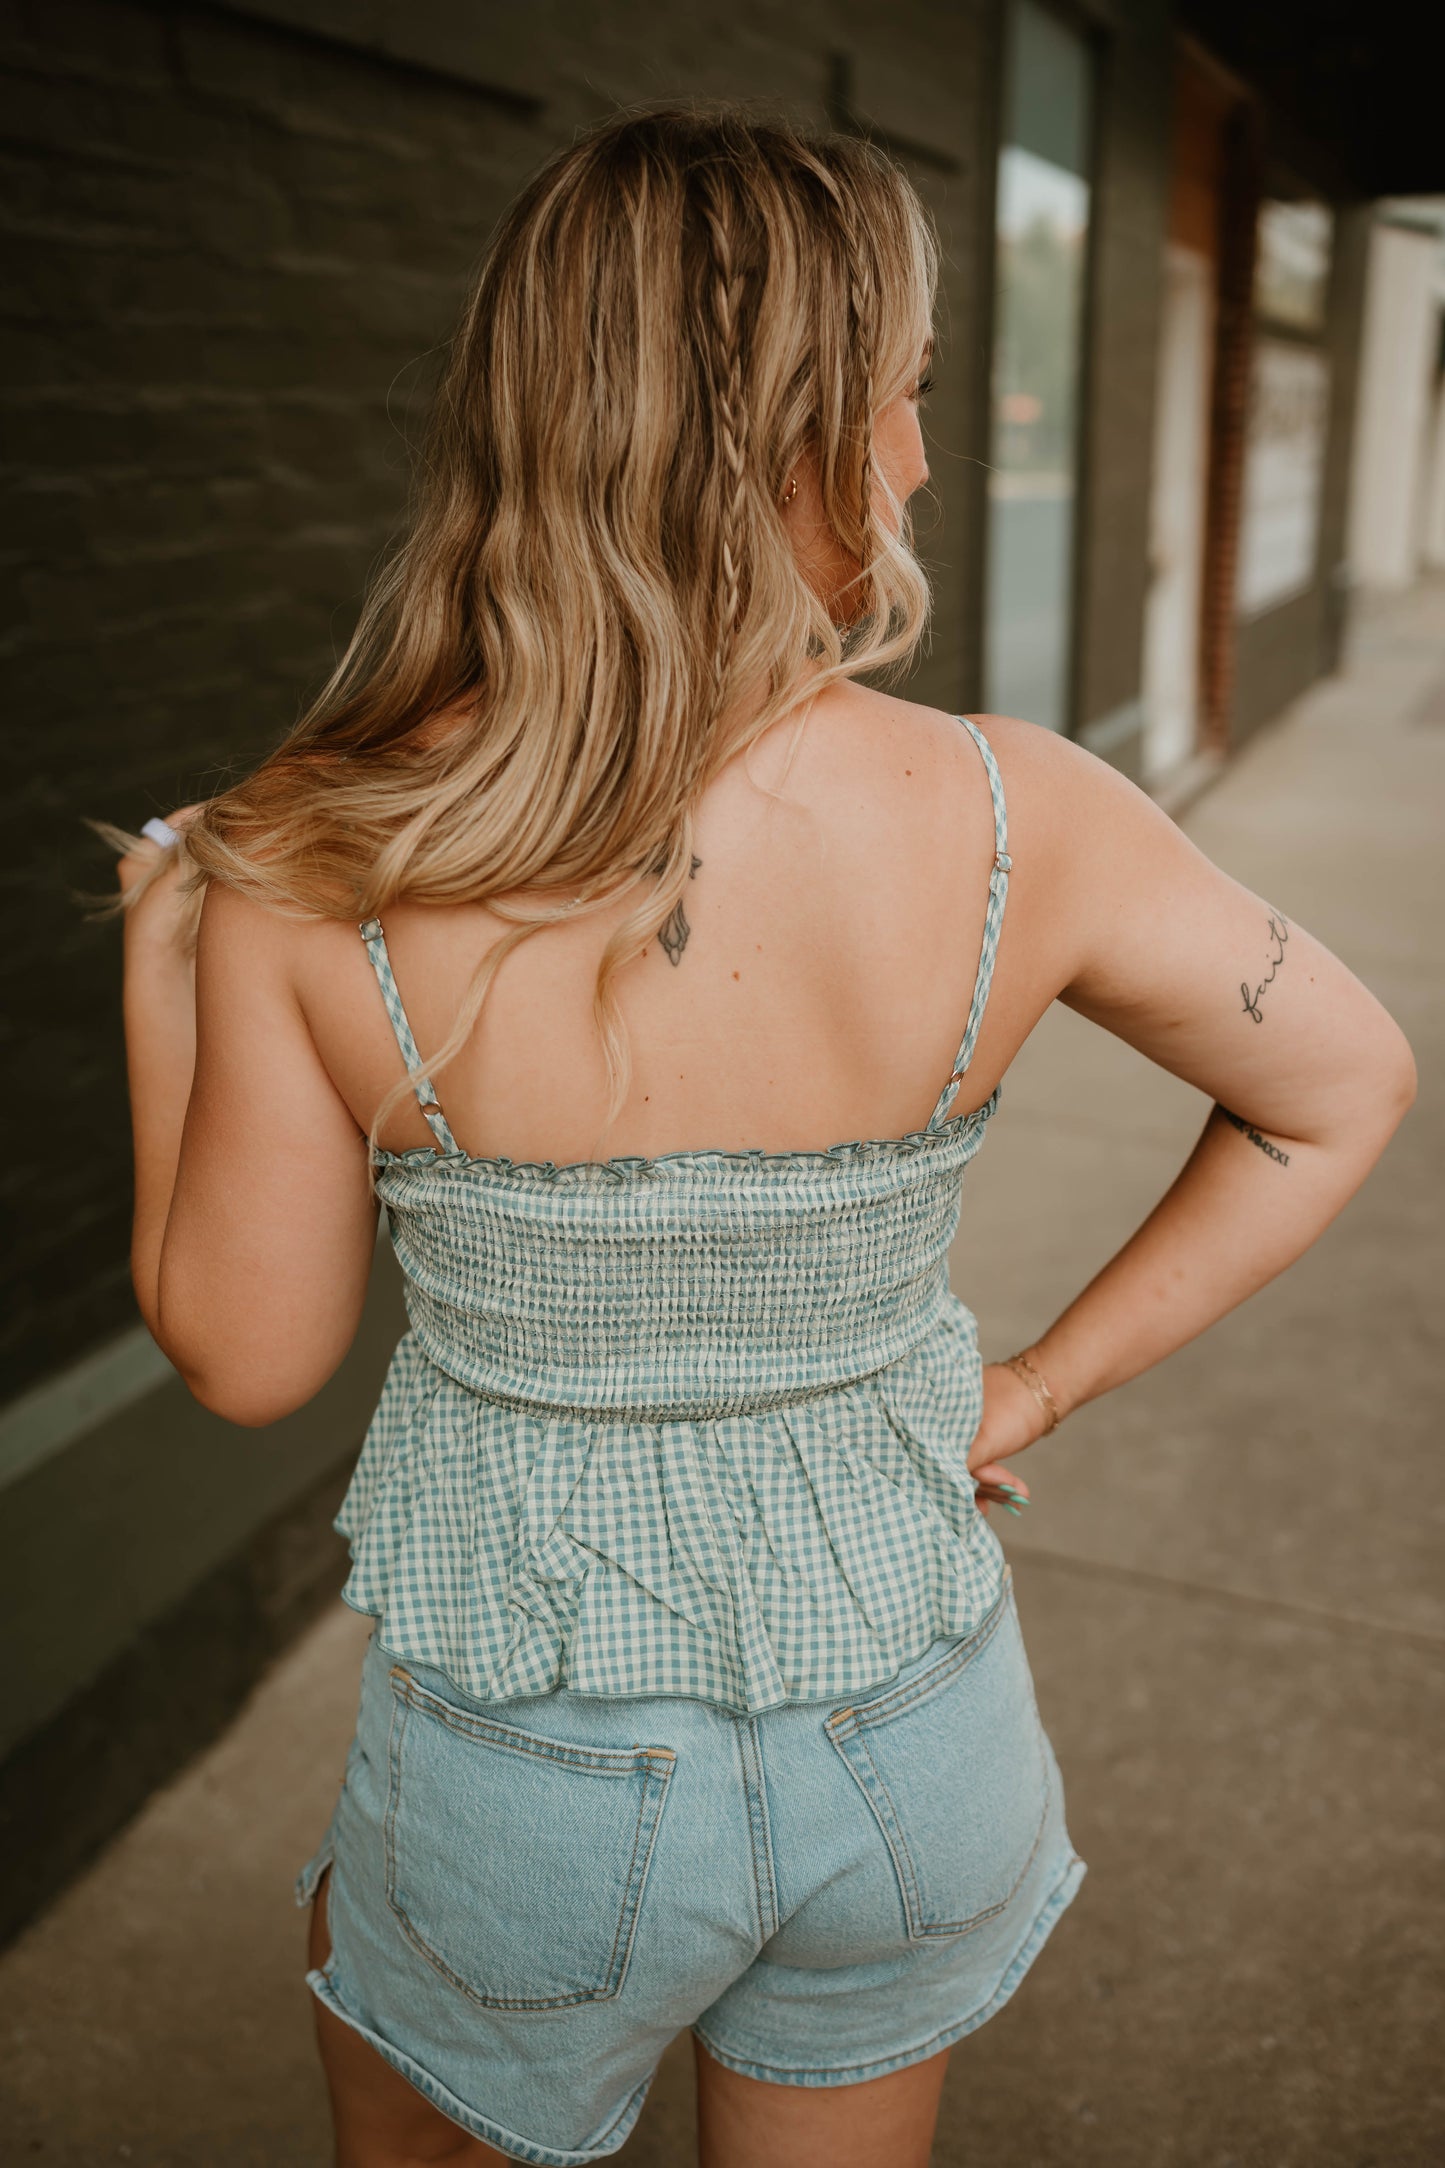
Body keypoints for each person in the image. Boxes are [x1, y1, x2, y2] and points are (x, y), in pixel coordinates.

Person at [102, 104, 1414, 2168]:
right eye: (899, 398)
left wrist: (163, 952)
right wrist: (1042, 1380)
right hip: (925, 1743)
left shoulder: (305, 866)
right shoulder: (1018, 813)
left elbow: (244, 1353)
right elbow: (1342, 1086)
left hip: (528, 1777)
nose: (915, 456)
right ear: (789, 437)